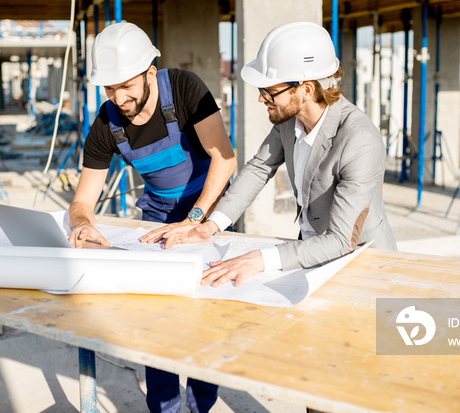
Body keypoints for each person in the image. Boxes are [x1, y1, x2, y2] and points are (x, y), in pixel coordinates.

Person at [144, 21, 397, 288]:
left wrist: (259, 259)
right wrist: (210, 225)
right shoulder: (290, 120)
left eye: (269, 91)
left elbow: (341, 240)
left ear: (306, 89)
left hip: (363, 265)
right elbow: (258, 169)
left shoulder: (360, 142)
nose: (261, 99)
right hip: (311, 254)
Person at [67, 22, 236, 413]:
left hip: (206, 213)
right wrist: (81, 224)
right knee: (155, 322)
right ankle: (164, 407)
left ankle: (201, 404)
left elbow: (225, 159)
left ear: (148, 72)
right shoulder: (107, 121)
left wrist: (194, 220)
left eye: (125, 86)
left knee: (206, 318)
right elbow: (81, 201)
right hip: (155, 220)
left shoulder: (185, 88)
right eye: (109, 88)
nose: (118, 97)